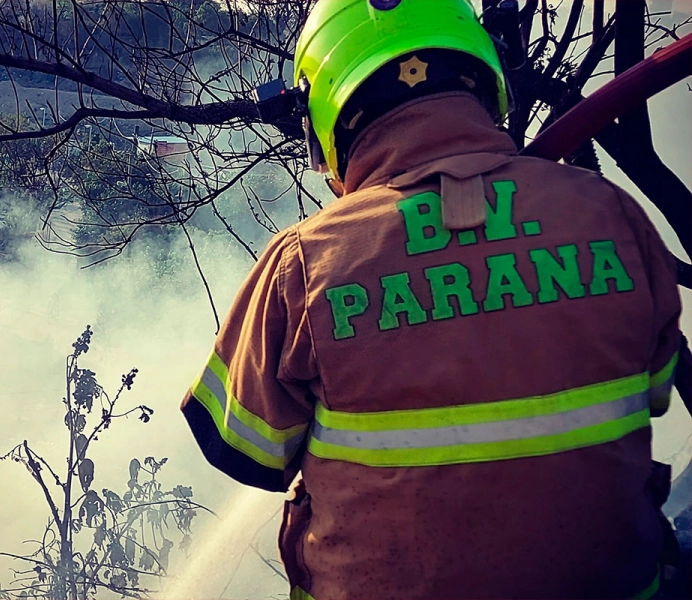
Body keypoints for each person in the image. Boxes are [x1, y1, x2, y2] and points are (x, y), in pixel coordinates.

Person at [179, 0, 684, 597]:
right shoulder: (614, 217)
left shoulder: (305, 263)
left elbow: (243, 448)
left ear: (324, 119)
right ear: (485, 76)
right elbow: (651, 392)